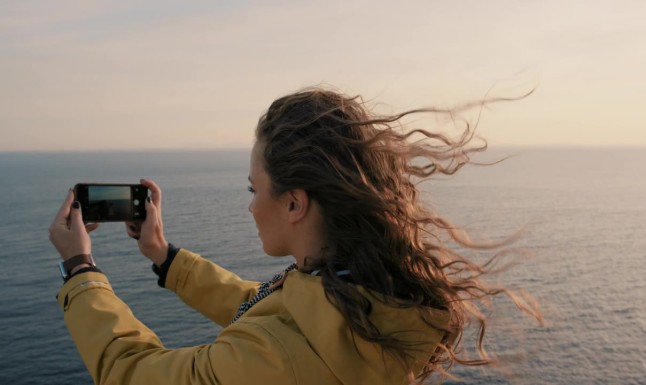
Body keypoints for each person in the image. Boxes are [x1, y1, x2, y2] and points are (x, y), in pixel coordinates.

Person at [49, 87, 541, 385]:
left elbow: (131, 373)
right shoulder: (365, 298)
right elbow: (261, 306)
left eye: (254, 187)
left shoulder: (275, 358)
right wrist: (164, 256)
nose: (249, 204)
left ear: (294, 202)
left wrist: (80, 270)